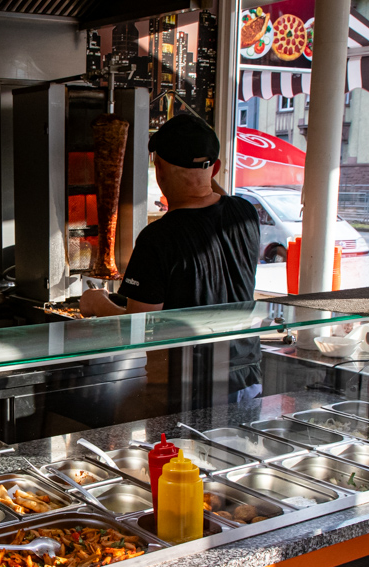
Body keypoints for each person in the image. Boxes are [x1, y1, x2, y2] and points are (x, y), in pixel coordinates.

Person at [79, 113, 262, 402]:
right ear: (216, 169)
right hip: (247, 379)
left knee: (178, 451)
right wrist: (202, 172)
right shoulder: (245, 213)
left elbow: (138, 329)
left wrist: (97, 305)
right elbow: (215, 195)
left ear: (158, 168)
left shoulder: (158, 237)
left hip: (189, 388)